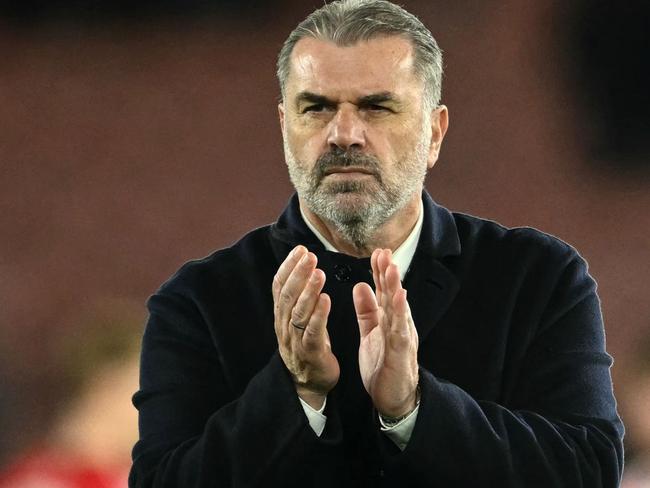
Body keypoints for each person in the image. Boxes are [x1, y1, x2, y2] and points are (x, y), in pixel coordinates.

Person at [129, 1, 624, 486]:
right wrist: (297, 392)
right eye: (316, 108)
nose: (344, 134)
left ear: (434, 132)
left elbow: (589, 469)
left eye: (376, 106)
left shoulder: (538, 278)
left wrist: (414, 407)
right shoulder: (197, 301)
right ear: (285, 128)